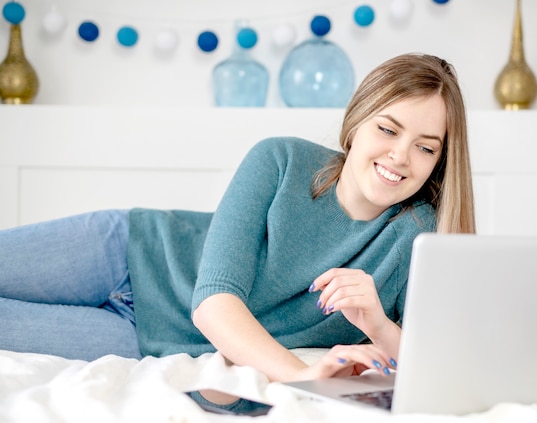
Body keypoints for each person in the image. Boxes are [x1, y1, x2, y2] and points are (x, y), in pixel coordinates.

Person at [0, 53, 475, 413]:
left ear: (439, 162)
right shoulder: (280, 160)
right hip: (128, 250)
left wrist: (379, 326)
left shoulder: (418, 236)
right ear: (356, 122)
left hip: (145, 334)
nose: (399, 156)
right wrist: (305, 376)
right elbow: (214, 303)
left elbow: (441, 363)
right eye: (388, 129)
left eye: (425, 147)